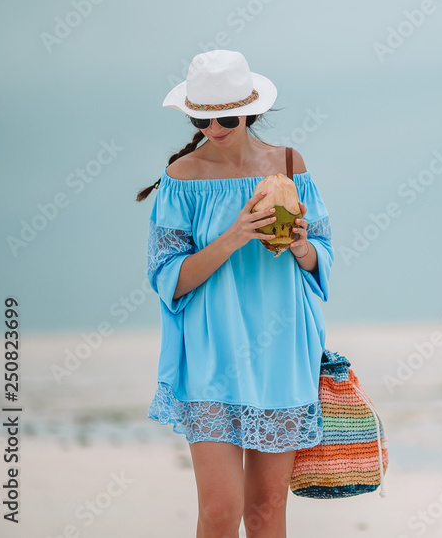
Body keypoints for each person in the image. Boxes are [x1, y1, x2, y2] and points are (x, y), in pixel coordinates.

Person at [136, 50, 334, 537]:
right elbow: (168, 278)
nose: (217, 127)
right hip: (211, 355)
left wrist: (302, 245)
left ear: (250, 110)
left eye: (227, 116)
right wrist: (236, 233)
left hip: (282, 352)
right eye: (203, 118)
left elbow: (321, 257)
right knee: (219, 513)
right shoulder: (181, 178)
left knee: (267, 512)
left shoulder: (289, 164)